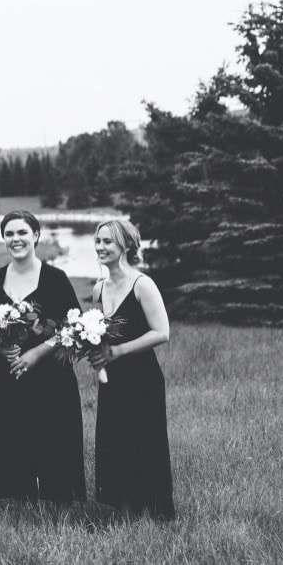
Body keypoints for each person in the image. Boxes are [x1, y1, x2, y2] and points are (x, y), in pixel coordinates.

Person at [0, 209, 85, 504]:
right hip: (6, 373)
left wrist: (37, 352)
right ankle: (18, 498)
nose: (16, 239)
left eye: (22, 232)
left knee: (55, 434)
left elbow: (75, 326)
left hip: (51, 376)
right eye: (9, 233)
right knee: (12, 435)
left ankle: (59, 499)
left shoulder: (55, 278)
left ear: (36, 235)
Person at [90, 218, 175, 519]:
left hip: (142, 377)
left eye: (107, 241)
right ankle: (123, 508)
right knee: (115, 440)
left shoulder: (142, 284)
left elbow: (162, 332)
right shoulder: (99, 288)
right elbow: (99, 333)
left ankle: (153, 510)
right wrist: (93, 349)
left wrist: (118, 351)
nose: (100, 246)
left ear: (125, 245)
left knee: (142, 440)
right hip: (112, 379)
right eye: (98, 241)